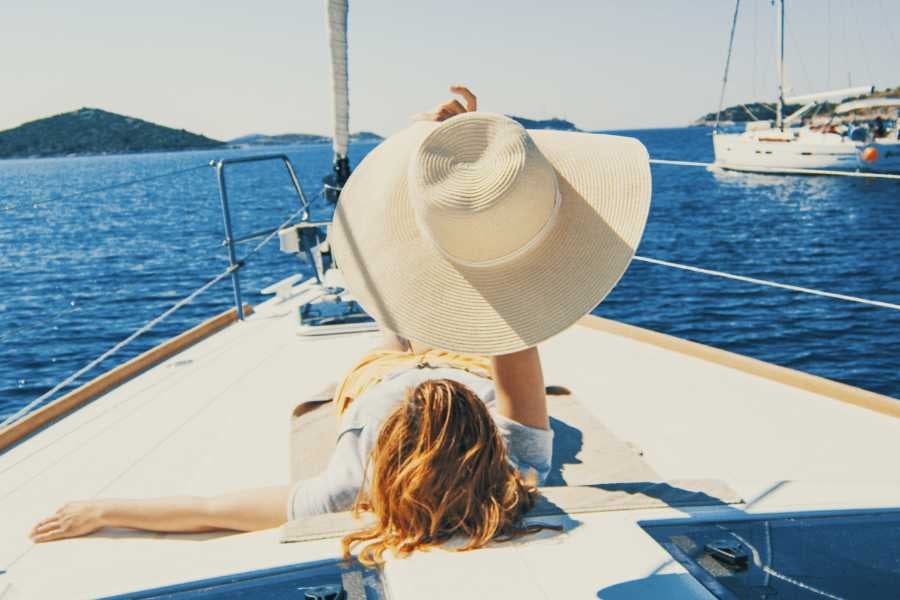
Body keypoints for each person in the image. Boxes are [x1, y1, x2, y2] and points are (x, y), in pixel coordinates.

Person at [30, 85, 652, 564]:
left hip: (383, 374)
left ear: (384, 466)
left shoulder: (346, 490)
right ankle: (423, 216)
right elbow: (516, 325)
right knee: (417, 315)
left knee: (391, 324)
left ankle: (402, 249)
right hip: (468, 360)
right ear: (490, 448)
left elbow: (209, 510)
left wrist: (103, 509)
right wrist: (467, 168)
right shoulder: (518, 467)